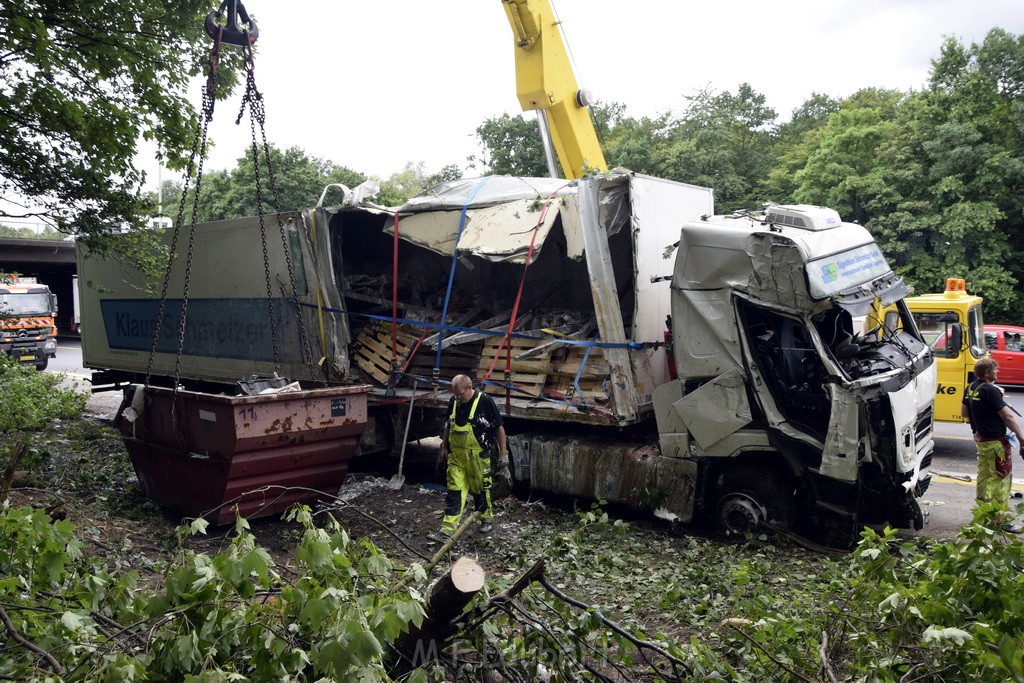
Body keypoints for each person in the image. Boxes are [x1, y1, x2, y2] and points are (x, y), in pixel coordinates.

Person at [428, 374, 509, 542]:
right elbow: (448, 426)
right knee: (454, 492)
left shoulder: (485, 401)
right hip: (457, 457)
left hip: (478, 457)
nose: (458, 398)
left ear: (470, 387)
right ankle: (447, 530)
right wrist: (444, 448)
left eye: (461, 394)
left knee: (480, 489)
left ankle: (485, 518)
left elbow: (499, 428)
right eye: (456, 394)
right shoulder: (454, 402)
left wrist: (503, 453)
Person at [960, 358, 1024, 508]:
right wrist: (1022, 439)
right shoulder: (990, 390)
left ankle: (982, 513)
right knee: (1001, 477)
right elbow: (1008, 417)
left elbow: (964, 412)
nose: (998, 371)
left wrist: (981, 415)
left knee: (984, 476)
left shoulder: (970, 388)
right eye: (995, 369)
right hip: (996, 442)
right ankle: (999, 517)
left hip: (981, 440)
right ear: (987, 373)